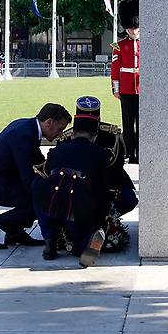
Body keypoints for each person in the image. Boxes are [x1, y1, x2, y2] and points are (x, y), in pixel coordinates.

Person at [0, 102, 71, 249]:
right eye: (60, 129)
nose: (60, 134)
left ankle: (14, 232)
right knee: (41, 201)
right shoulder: (24, 135)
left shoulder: (28, 126)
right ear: (49, 123)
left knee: (39, 196)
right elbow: (28, 178)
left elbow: (39, 161)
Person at [33, 104, 113, 267]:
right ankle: (87, 242)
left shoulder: (56, 151)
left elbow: (47, 173)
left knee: (41, 191)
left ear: (73, 133)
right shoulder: (101, 154)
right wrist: (101, 220)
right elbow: (102, 190)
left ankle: (49, 240)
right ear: (95, 136)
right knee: (79, 232)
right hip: (78, 205)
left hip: (51, 202)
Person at [110, 0, 140, 163]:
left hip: (143, 88)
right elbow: (115, 70)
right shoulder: (118, 46)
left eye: (135, 27)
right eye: (130, 28)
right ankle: (130, 153)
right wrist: (116, 89)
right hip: (127, 89)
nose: (133, 31)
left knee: (142, 123)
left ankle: (142, 151)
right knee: (128, 123)